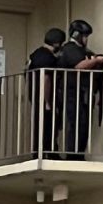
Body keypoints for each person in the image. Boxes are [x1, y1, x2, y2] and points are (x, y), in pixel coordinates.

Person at [56, 19, 103, 160]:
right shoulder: (70, 49)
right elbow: (79, 66)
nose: (86, 39)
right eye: (85, 36)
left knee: (84, 125)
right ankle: (73, 155)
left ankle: (79, 154)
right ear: (77, 35)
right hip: (73, 92)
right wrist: (96, 61)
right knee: (76, 124)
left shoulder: (83, 50)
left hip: (84, 92)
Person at [25, 28, 64, 159]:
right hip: (45, 98)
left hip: (35, 96)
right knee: (49, 126)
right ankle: (50, 153)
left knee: (39, 125)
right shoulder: (48, 58)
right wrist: (47, 101)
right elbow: (46, 79)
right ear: (56, 43)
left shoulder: (36, 54)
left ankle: (38, 153)